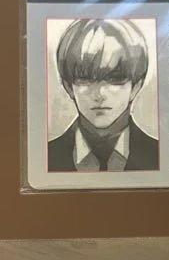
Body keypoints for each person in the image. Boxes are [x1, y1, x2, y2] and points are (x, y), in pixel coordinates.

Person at [48, 19, 159, 172]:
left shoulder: (159, 155)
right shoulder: (45, 158)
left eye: (115, 79)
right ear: (69, 87)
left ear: (135, 86)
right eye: (85, 79)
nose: (100, 94)